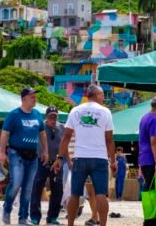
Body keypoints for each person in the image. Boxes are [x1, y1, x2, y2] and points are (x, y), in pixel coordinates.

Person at [54, 84, 116, 226]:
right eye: (101, 94)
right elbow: (109, 139)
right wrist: (113, 161)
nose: (103, 97)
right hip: (99, 158)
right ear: (95, 95)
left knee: (75, 193)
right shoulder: (105, 112)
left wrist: (59, 157)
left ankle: (70, 224)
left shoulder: (75, 111)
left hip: (80, 157)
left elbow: (66, 136)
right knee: (101, 194)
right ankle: (103, 224)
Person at [0, 87, 49, 225]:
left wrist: (45, 151)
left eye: (35, 96)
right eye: (32, 96)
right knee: (16, 183)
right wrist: (2, 152)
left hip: (33, 156)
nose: (35, 98)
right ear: (24, 99)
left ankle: (22, 218)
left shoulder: (37, 114)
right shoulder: (14, 115)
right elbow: (5, 134)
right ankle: (7, 209)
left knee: (28, 188)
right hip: (16, 153)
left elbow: (42, 134)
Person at [30, 106, 66, 225]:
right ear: (46, 116)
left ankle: (52, 217)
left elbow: (64, 145)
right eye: (51, 116)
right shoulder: (40, 126)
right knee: (37, 188)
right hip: (41, 161)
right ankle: (35, 217)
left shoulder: (62, 128)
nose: (53, 119)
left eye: (55, 116)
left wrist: (65, 161)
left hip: (56, 162)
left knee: (57, 190)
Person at [138, 96, 156, 226]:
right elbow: (153, 141)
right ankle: (151, 220)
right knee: (152, 189)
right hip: (151, 160)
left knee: (151, 187)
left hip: (145, 158)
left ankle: (154, 218)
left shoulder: (144, 118)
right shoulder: (154, 120)